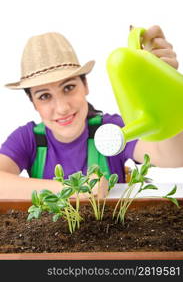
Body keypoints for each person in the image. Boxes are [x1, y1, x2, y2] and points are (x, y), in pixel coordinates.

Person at [0, 25, 182, 199]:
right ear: (33, 103)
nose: (62, 108)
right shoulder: (28, 139)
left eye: (68, 87)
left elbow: (172, 156)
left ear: (85, 85)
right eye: (44, 96)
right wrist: (75, 190)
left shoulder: (112, 129)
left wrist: (162, 87)